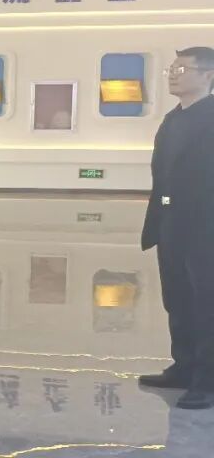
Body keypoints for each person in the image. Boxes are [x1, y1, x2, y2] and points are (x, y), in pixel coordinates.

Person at [139, 46, 214, 410]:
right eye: (171, 68)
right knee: (178, 299)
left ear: (208, 76)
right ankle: (183, 367)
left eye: (183, 69)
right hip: (173, 224)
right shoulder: (173, 119)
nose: (173, 74)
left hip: (205, 227)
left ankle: (207, 379)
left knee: (206, 303)